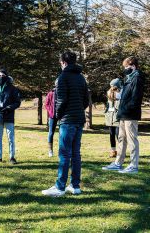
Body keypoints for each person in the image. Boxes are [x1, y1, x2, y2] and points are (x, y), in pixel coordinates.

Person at [42, 51, 89, 197]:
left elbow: (60, 100)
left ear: (63, 62)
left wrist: (57, 115)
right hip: (79, 119)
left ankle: (60, 186)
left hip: (68, 120)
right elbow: (86, 101)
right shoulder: (81, 78)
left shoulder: (62, 77)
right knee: (75, 154)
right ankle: (75, 185)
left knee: (64, 153)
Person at [102, 57, 145, 174]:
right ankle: (118, 163)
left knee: (132, 140)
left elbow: (136, 98)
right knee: (121, 139)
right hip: (123, 114)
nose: (125, 69)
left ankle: (133, 165)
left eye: (127, 67)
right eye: (125, 67)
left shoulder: (137, 78)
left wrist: (127, 108)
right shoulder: (128, 79)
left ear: (134, 66)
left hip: (130, 114)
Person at [0, 69, 21, 164]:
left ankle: (12, 157)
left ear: (6, 76)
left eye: (3, 75)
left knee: (10, 138)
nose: (1, 77)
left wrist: (9, 108)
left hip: (9, 116)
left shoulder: (12, 88)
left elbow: (17, 102)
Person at [104, 78, 122, 158]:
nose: (112, 88)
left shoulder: (121, 93)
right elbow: (108, 106)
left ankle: (121, 151)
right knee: (111, 135)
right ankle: (113, 150)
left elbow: (119, 106)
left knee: (118, 135)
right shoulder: (109, 93)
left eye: (113, 86)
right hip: (110, 117)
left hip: (118, 118)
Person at [44, 78, 58, 157]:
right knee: (51, 133)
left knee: (62, 134)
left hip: (62, 116)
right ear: (55, 84)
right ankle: (50, 150)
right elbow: (46, 104)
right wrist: (51, 112)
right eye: (57, 83)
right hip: (52, 116)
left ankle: (62, 150)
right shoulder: (51, 93)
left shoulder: (64, 92)